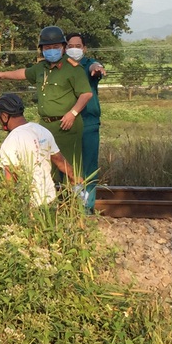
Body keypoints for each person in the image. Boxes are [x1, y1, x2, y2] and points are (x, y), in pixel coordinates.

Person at [0, 26, 92, 180]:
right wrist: (2, 74)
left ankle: (77, 202)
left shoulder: (73, 69)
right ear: (42, 49)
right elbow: (23, 73)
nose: (51, 51)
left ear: (63, 47)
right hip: (45, 127)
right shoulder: (41, 68)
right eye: (47, 47)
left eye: (55, 47)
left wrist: (73, 113)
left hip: (67, 125)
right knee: (46, 170)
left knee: (70, 169)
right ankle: (50, 202)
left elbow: (86, 94)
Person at [0, 93, 80, 206]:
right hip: (50, 200)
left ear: (4, 116)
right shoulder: (42, 130)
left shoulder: (11, 141)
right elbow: (59, 161)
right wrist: (75, 178)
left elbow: (10, 179)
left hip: (29, 204)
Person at [66, 32, 107, 211]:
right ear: (64, 48)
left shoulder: (88, 64)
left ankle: (86, 208)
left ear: (84, 48)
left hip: (88, 123)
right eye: (70, 46)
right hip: (67, 123)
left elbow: (96, 67)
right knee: (68, 167)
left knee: (89, 168)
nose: (74, 49)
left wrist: (98, 68)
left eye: (78, 46)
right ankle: (72, 206)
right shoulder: (61, 66)